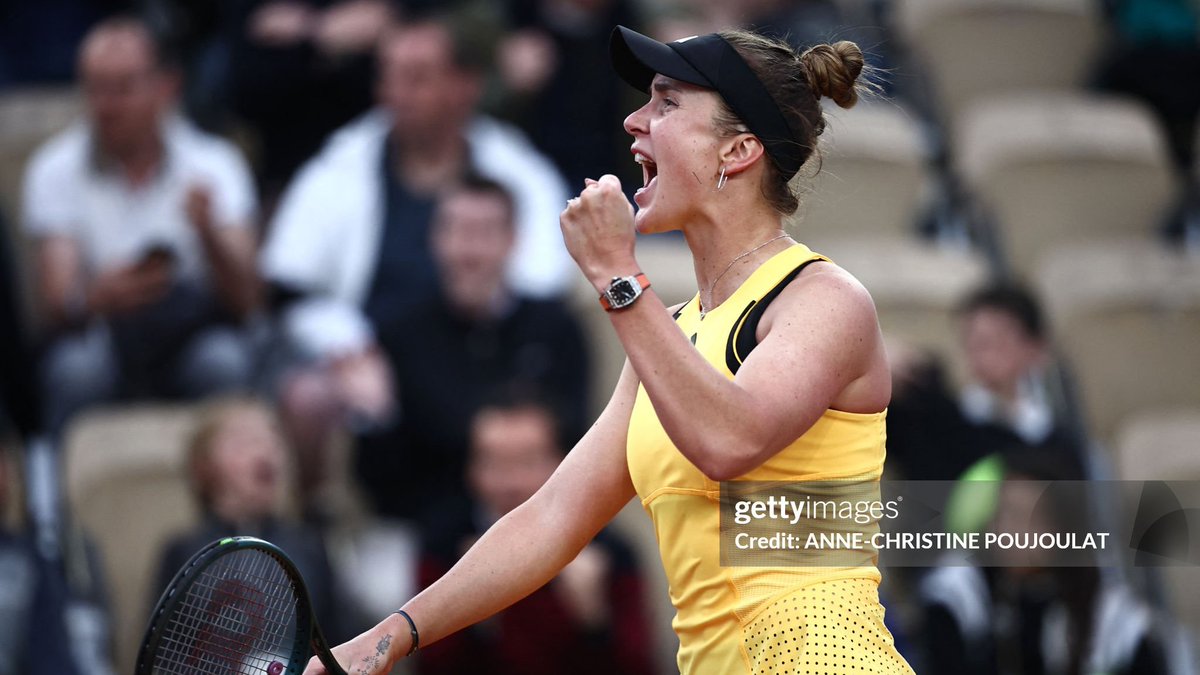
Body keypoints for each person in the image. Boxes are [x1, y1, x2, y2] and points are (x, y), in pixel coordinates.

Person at [305, 25, 914, 674]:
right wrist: (390, 635)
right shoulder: (669, 332)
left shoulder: (825, 299)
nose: (633, 120)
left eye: (667, 103)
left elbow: (729, 442)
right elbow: (553, 516)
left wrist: (616, 275)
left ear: (737, 150)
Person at [262, 16, 573, 499]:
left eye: (417, 77)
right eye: (388, 74)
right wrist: (347, 344)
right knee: (306, 395)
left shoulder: (518, 170)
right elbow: (286, 284)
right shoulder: (341, 161)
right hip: (371, 358)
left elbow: (544, 285)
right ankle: (317, 541)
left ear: (465, 86)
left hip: (484, 360)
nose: (395, 92)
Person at [23, 17, 259, 434]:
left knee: (224, 361)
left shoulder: (214, 164)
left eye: (123, 88)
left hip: (189, 335)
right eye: (96, 88)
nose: (107, 105)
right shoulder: (53, 169)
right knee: (75, 370)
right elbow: (58, 302)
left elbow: (248, 302)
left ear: (166, 86)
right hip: (104, 336)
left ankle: (235, 492)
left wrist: (208, 236)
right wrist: (96, 297)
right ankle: (59, 497)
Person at [352, 175, 589, 519]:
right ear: (435, 239)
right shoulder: (397, 334)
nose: (470, 252)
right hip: (426, 527)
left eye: (485, 233)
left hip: (542, 522)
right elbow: (379, 474)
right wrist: (373, 417)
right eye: (459, 231)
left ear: (513, 240)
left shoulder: (556, 328)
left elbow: (577, 444)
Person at [417, 394, 654, 675]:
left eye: (528, 462)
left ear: (565, 462)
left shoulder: (609, 551)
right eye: (493, 463)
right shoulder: (445, 547)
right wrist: (471, 616)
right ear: (471, 469)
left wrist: (594, 619)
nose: (510, 482)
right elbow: (428, 665)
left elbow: (640, 665)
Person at [153, 396, 354, 643]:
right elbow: (165, 650)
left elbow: (341, 640)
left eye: (272, 439)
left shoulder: (309, 545)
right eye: (244, 442)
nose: (264, 450)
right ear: (203, 466)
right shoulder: (183, 551)